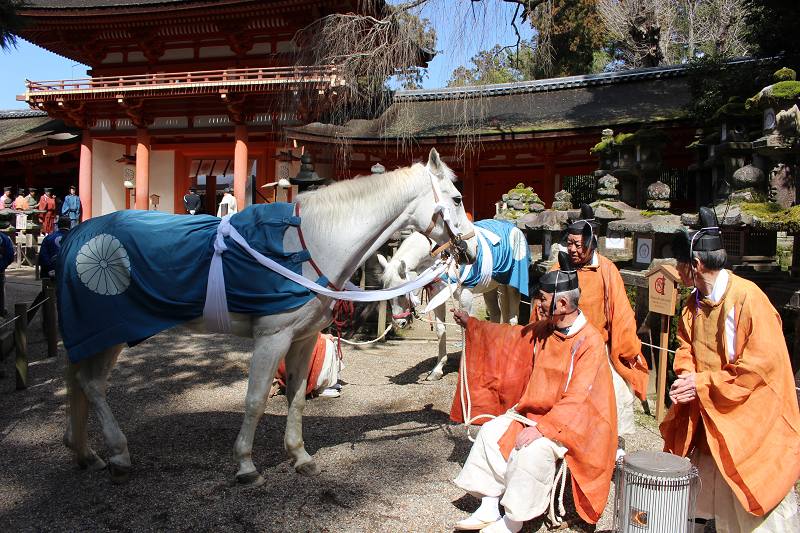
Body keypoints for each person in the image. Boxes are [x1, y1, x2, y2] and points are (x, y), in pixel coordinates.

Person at [450, 252, 617, 532]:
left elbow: (579, 398)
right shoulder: (545, 329)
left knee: (531, 449)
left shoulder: (590, 342)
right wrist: (473, 324)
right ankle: (490, 505)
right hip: (532, 413)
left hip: (571, 425)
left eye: (542, 298)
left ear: (562, 303)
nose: (537, 304)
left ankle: (514, 520)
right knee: (492, 433)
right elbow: (511, 337)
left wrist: (544, 428)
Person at [660, 206, 800, 533]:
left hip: (753, 420)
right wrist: (686, 377)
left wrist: (702, 382)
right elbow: (686, 347)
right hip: (713, 416)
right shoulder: (693, 305)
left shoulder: (749, 300)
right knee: (723, 509)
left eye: (679, 265)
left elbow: (758, 368)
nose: (676, 272)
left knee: (760, 510)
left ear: (694, 265)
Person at [552, 204, 648, 457]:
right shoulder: (559, 267)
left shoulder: (606, 269)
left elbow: (622, 314)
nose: (572, 249)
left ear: (591, 243)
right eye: (569, 243)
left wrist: (628, 351)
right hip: (564, 345)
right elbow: (542, 305)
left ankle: (615, 445)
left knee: (616, 392)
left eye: (578, 244)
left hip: (598, 347)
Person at [0, 230, 14, 316]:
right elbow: (10, 254)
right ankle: (2, 308)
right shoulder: (5, 237)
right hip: (1, 268)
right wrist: (4, 264)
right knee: (1, 288)